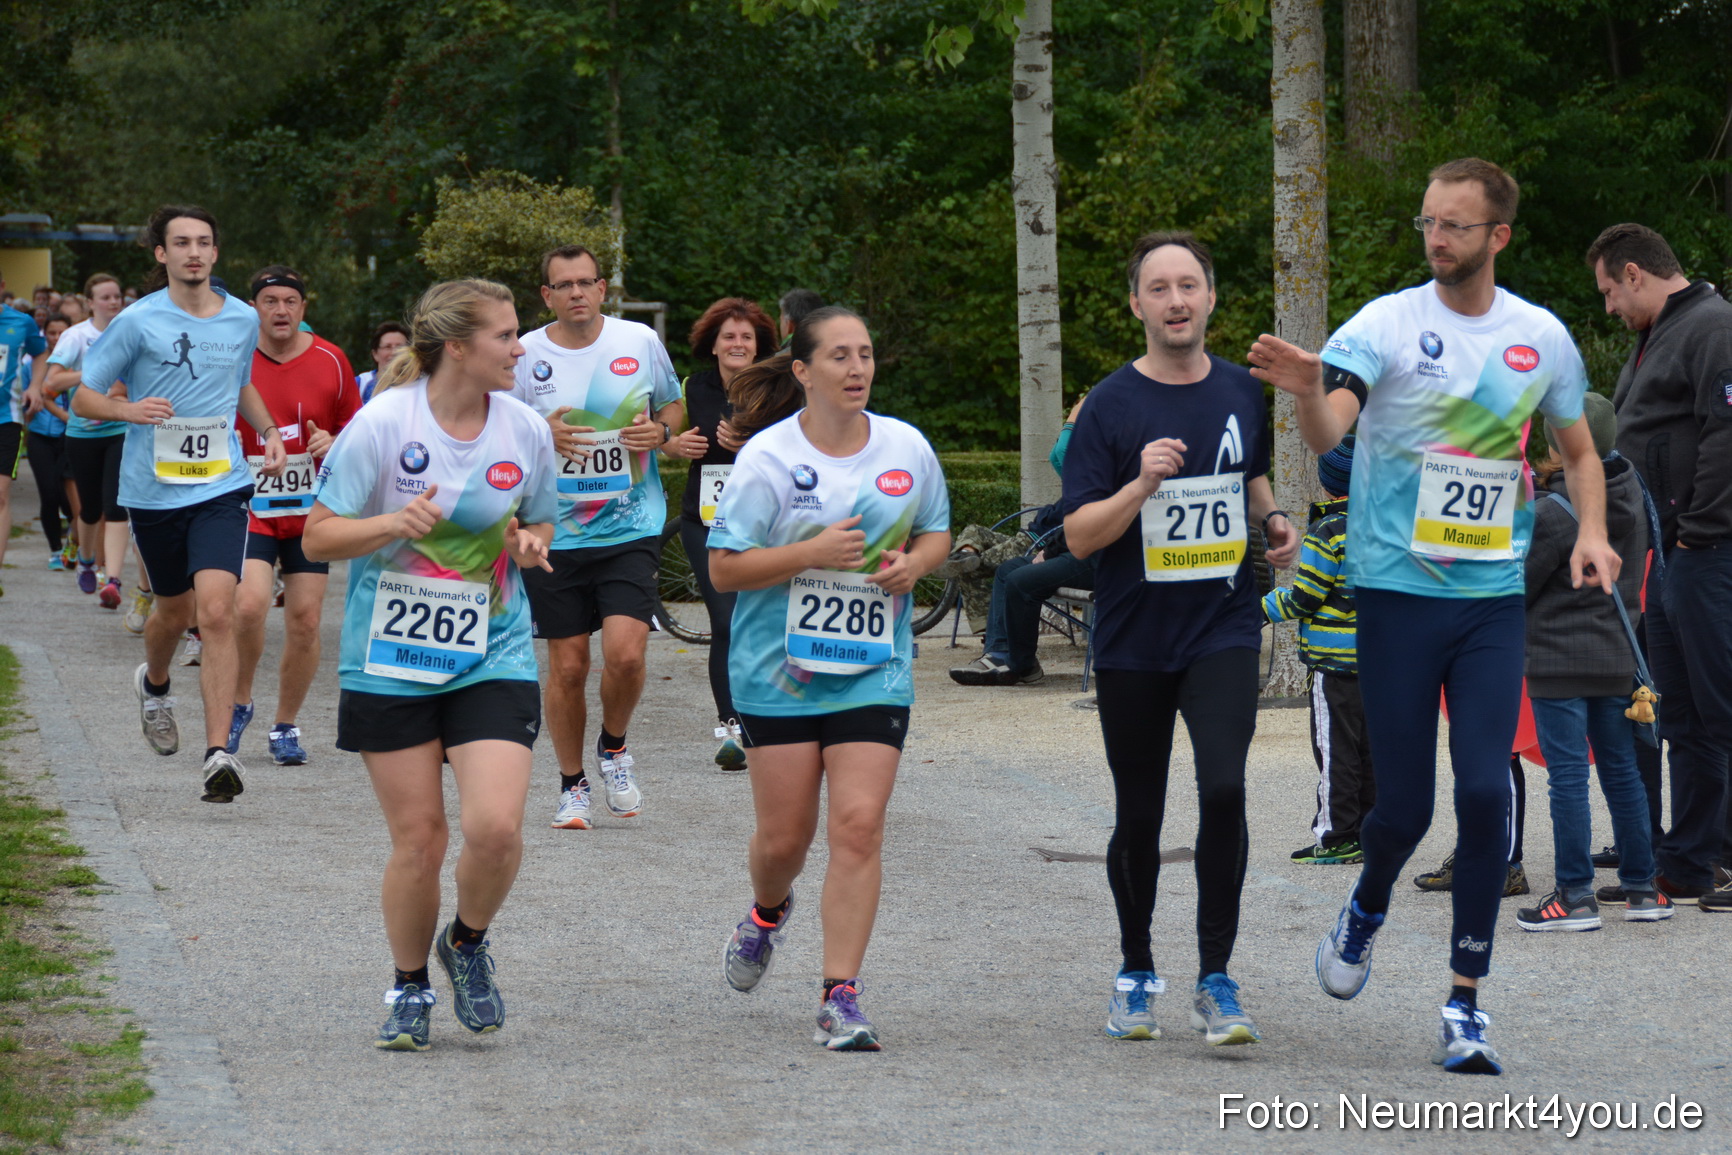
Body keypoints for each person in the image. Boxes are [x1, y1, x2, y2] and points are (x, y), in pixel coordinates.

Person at [1250, 157, 1617, 1075]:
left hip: (1490, 599)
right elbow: (1332, 433)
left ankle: (1466, 1003)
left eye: (1455, 224)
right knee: (1405, 808)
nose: (1436, 238)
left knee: (1488, 791)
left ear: (1498, 235)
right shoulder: (1385, 323)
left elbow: (1579, 451)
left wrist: (1595, 535)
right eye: (1427, 223)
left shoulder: (1540, 336)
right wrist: (1305, 389)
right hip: (1396, 595)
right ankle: (1367, 904)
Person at [303, 278, 558, 1052]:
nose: (521, 348)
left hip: (493, 649)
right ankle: (409, 985)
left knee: (496, 828)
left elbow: (541, 513)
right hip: (392, 657)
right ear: (457, 347)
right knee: (420, 839)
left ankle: (468, 941)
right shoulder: (384, 423)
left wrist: (531, 541)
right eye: (506, 335)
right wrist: (389, 521)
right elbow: (316, 537)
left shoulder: (524, 429)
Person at [1063, 232, 1300, 1049]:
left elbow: (1250, 472)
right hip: (1134, 635)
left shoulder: (1240, 388)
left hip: (1221, 625)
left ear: (1210, 297)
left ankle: (1216, 976)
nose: (1175, 300)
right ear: (1137, 305)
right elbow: (1083, 537)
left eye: (1188, 285)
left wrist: (1271, 518)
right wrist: (1140, 483)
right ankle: (1135, 971)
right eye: (1158, 288)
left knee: (1226, 788)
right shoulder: (1109, 405)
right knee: (1140, 809)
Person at [711, 306, 950, 1051]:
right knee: (785, 838)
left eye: (867, 354)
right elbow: (724, 566)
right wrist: (809, 552)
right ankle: (765, 911)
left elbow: (937, 528)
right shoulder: (767, 458)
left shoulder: (906, 447)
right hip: (774, 673)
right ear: (804, 371)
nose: (857, 368)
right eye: (839, 356)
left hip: (871, 670)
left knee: (858, 824)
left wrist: (917, 562)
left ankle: (838, 992)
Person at [71, 205, 288, 803]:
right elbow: (83, 399)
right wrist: (126, 410)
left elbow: (240, 383)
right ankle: (156, 684)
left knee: (216, 611)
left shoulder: (244, 320)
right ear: (161, 255)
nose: (194, 252)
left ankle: (219, 753)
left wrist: (267, 430)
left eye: (204, 243)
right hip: (154, 490)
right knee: (172, 611)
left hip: (221, 484)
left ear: (216, 253)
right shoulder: (138, 322)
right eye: (181, 243)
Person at [507, 245, 683, 830]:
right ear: (547, 295)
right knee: (569, 667)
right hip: (554, 532)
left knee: (628, 656)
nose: (577, 292)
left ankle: (613, 746)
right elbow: (496, 432)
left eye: (587, 282)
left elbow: (674, 407)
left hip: (631, 523)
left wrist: (659, 431)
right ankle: (571, 783)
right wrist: (540, 435)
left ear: (603, 288)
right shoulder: (525, 352)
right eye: (565, 284)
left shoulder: (637, 341)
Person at [1587, 223, 1732, 913]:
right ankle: (1692, 860)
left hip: (1707, 550)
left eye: (1610, 290)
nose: (1609, 306)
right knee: (1684, 717)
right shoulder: (1656, 338)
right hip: (1670, 555)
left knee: (1721, 704)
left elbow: (1726, 433)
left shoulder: (1713, 327)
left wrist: (1699, 532)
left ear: (1636, 273)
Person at [1517, 392, 1672, 929]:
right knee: (1622, 772)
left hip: (1558, 662)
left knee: (1566, 778)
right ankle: (1642, 889)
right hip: (1617, 656)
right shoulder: (1633, 494)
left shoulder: (1556, 511)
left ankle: (1575, 895)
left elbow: (1519, 586)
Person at [227, 265, 362, 765]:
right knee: (248, 606)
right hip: (251, 507)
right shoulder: (236, 359)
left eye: (290, 301)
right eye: (269, 301)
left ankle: (285, 725)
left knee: (305, 620)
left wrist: (333, 440)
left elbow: (357, 428)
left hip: (310, 512)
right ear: (254, 308)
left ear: (303, 309)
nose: (280, 310)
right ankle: (239, 701)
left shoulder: (331, 359)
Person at [668, 297, 779, 769]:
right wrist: (674, 445)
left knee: (767, 620)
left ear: (759, 347)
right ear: (712, 344)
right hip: (706, 521)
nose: (737, 344)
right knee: (725, 621)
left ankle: (772, 718)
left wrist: (754, 443)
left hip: (766, 522)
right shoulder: (692, 387)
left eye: (746, 337)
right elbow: (662, 437)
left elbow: (801, 443)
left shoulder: (779, 386)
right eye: (729, 336)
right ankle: (731, 728)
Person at [1263, 436, 1374, 865]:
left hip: (1334, 663)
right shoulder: (1384, 522)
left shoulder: (1328, 530)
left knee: (1335, 751)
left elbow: (1304, 597)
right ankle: (1368, 831)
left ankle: (1336, 835)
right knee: (1370, 751)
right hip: (1377, 662)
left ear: (1327, 484)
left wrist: (1256, 611)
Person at [949, 395, 1095, 687]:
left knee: (1019, 578)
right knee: (1008, 570)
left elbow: (1084, 506)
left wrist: (1049, 550)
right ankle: (999, 654)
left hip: (1094, 554)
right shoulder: (1095, 460)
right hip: (1061, 542)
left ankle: (1019, 665)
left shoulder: (1109, 460)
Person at [46, 274, 144, 619]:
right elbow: (51, 382)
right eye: (105, 297)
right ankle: (86, 561)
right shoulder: (77, 337)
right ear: (90, 302)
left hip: (120, 427)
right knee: (89, 509)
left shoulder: (131, 332)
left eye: (117, 296)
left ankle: (113, 580)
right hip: (83, 432)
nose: (114, 302)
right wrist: (90, 372)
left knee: (116, 505)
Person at [0, 278, 49, 597]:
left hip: (6, 418)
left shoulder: (20, 321)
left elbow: (41, 354)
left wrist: (34, 387)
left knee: (0, 495)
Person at [23, 314, 79, 568]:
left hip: (71, 437)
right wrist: (31, 406)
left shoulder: (79, 362)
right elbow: (22, 404)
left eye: (62, 333)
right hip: (40, 438)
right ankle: (55, 550)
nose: (56, 339)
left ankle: (73, 542)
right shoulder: (32, 366)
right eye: (52, 333)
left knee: (71, 499)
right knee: (49, 494)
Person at [357, 321, 410, 403]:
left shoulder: (419, 383)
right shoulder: (361, 384)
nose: (394, 352)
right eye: (387, 347)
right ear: (375, 354)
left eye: (400, 347)